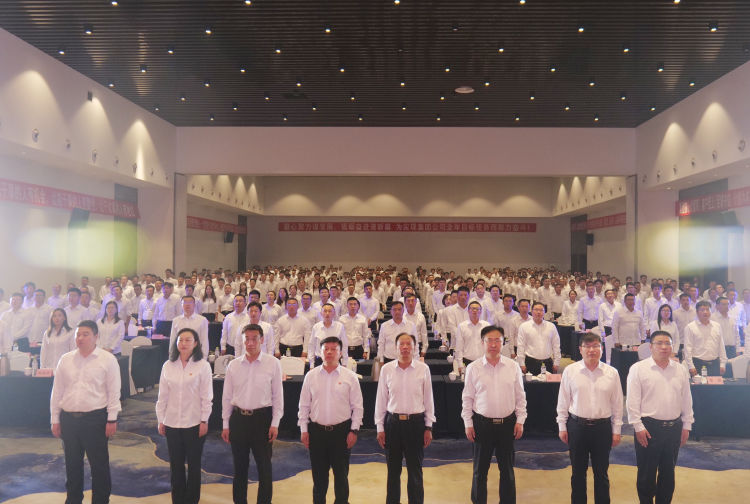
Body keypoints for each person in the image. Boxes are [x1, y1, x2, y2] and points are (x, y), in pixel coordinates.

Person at [50, 320, 121, 504]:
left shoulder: (107, 359)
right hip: (69, 420)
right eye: (78, 335)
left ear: (96, 336)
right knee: (72, 464)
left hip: (95, 419)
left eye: (85, 334)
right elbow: (57, 391)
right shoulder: (66, 359)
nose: (80, 338)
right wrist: (55, 419)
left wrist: (112, 419)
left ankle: (101, 500)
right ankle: (73, 500)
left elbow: (114, 392)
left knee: (99, 465)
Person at [626, 331, 693, 504]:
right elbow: (632, 401)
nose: (664, 347)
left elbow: (686, 399)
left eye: (667, 343)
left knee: (668, 473)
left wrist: (687, 425)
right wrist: (637, 426)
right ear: (651, 347)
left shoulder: (680, 369)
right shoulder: (638, 369)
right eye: (659, 343)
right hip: (648, 429)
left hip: (674, 428)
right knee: (646, 474)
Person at [462, 325, 526, 504]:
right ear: (482, 342)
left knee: (507, 471)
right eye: (489, 340)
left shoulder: (513, 366)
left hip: (507, 425)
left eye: (497, 340)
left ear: (503, 343)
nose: (493, 344)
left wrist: (520, 420)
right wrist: (468, 423)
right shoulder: (473, 368)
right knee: (479, 471)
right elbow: (467, 398)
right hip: (482, 425)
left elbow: (520, 396)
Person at [556, 332, 623, 504]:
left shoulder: (612, 373)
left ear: (602, 349)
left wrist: (616, 430)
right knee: (578, 473)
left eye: (596, 346)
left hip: (602, 429)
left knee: (601, 473)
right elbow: (563, 401)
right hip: (577, 427)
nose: (592, 350)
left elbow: (617, 404)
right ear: (580, 349)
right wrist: (562, 426)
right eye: (587, 346)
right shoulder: (570, 371)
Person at [221, 324, 283, 504]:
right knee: (239, 468)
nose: (250, 343)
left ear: (261, 340)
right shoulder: (233, 365)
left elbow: (278, 396)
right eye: (246, 339)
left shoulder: (273, 363)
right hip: (238, 420)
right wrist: (225, 424)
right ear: (242, 341)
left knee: (264, 467)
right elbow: (226, 397)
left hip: (262, 421)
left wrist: (275, 423)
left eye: (254, 338)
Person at [298, 336, 364, 504]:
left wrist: (354, 430)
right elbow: (304, 405)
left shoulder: (350, 377)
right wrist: (304, 430)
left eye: (333, 349)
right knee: (319, 478)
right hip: (317, 433)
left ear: (340, 353)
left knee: (341, 477)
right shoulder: (311, 376)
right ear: (320, 352)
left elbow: (357, 407)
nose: (329, 352)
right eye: (325, 349)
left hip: (341, 433)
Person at [375, 333, 435, 504]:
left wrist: (428, 427)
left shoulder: (423, 369)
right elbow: (381, 400)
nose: (405, 347)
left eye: (409, 344)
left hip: (416, 424)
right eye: (402, 344)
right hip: (393, 424)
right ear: (396, 348)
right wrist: (380, 427)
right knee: (393, 471)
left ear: (415, 347)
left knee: (415, 471)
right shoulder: (387, 369)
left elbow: (428, 399)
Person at [156, 327, 213, 504]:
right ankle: (178, 499)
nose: (183, 343)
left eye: (188, 340)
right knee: (176, 466)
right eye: (180, 340)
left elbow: (207, 396)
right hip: (172, 423)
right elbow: (162, 396)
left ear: (195, 343)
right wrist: (160, 420)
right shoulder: (168, 365)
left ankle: (192, 500)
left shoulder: (202, 366)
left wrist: (204, 420)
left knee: (194, 466)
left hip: (194, 423)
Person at [683, 300, 727, 376]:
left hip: (715, 363)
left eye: (707, 309)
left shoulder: (717, 326)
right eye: (702, 310)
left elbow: (721, 346)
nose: (705, 312)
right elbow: (687, 348)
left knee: (715, 384)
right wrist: (691, 366)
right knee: (699, 384)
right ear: (697, 312)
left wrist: (723, 363)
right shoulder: (690, 327)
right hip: (698, 363)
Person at [516, 302, 561, 375]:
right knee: (531, 382)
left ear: (544, 312)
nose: (538, 312)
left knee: (547, 382)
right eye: (536, 310)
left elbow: (556, 345)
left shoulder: (551, 326)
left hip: (547, 362)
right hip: (530, 362)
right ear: (531, 311)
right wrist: (521, 363)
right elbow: (521, 346)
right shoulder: (524, 326)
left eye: (541, 310)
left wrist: (556, 362)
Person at [455, 300, 491, 367]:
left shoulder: (487, 326)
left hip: (484, 361)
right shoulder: (462, 326)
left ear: (481, 311)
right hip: (467, 361)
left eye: (477, 309)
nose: (475, 311)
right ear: (468, 311)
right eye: (472, 309)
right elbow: (459, 347)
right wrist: (460, 364)